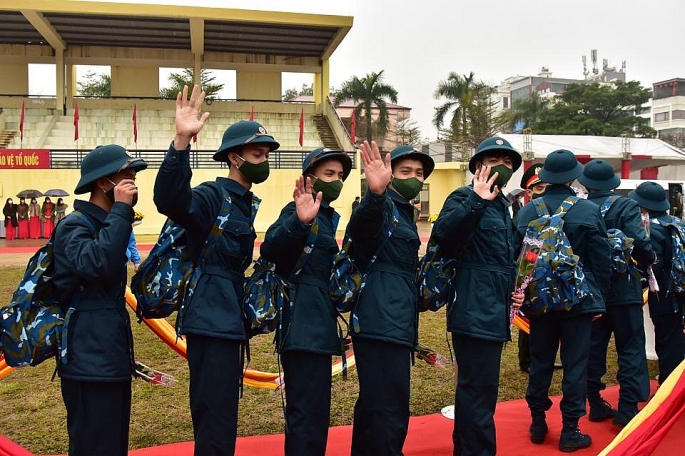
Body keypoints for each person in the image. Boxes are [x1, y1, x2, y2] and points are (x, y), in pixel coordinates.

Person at [153, 85, 280, 456]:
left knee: (222, 414)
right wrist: (180, 142)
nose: (264, 160)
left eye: (267, 154)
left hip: (226, 317)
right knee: (214, 415)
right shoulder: (213, 195)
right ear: (234, 158)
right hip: (210, 318)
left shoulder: (241, 203)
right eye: (257, 153)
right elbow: (170, 200)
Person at [430, 136, 524, 455]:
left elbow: (501, 260)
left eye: (509, 162)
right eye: (494, 159)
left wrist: (513, 291)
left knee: (482, 393)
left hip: (493, 311)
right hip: (473, 310)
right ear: (478, 166)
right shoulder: (464, 196)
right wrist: (476, 202)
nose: (503, 166)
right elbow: (444, 234)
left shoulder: (503, 206)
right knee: (476, 394)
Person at [53, 144, 147, 456]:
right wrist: (121, 210)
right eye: (126, 177)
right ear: (102, 182)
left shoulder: (110, 224)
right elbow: (99, 265)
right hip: (87, 359)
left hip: (111, 354)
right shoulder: (74, 225)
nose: (132, 184)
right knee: (93, 444)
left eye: (134, 177)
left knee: (113, 442)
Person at [514, 149, 611, 452]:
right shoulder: (586, 210)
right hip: (578, 302)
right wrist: (598, 301)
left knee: (540, 361)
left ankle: (537, 422)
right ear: (573, 177)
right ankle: (571, 430)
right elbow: (601, 260)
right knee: (576, 365)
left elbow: (517, 259)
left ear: (543, 178)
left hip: (539, 302)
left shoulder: (528, 211)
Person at [260, 147, 352, 456]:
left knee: (316, 416)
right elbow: (271, 249)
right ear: (309, 178)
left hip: (318, 328)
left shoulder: (326, 217)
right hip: (301, 330)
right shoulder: (296, 210)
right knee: (305, 417)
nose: (336, 181)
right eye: (329, 174)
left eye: (340, 175)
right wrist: (299, 222)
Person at [346, 142, 433, 456]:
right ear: (389, 174)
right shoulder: (381, 206)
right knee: (389, 407)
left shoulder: (404, 211)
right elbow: (361, 230)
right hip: (381, 319)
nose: (414, 177)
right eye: (405, 170)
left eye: (419, 173)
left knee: (374, 405)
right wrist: (375, 194)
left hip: (392, 319)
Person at [579, 160, 655, 429]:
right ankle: (627, 408)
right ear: (614, 183)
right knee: (631, 347)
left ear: (585, 184)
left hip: (591, 292)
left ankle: (594, 401)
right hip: (624, 288)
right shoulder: (626, 206)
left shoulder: (579, 208)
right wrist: (650, 257)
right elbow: (640, 242)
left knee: (593, 347)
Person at [628, 182, 685, 390]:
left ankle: (669, 390)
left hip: (664, 293)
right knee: (676, 337)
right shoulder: (678, 223)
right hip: (680, 291)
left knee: (667, 341)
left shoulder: (650, 229)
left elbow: (652, 263)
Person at [516, 163, 549, 374]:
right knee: (527, 314)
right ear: (529, 191)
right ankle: (526, 360)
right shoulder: (524, 213)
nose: (543, 192)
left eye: (546, 187)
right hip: (528, 268)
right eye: (538, 188)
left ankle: (542, 357)